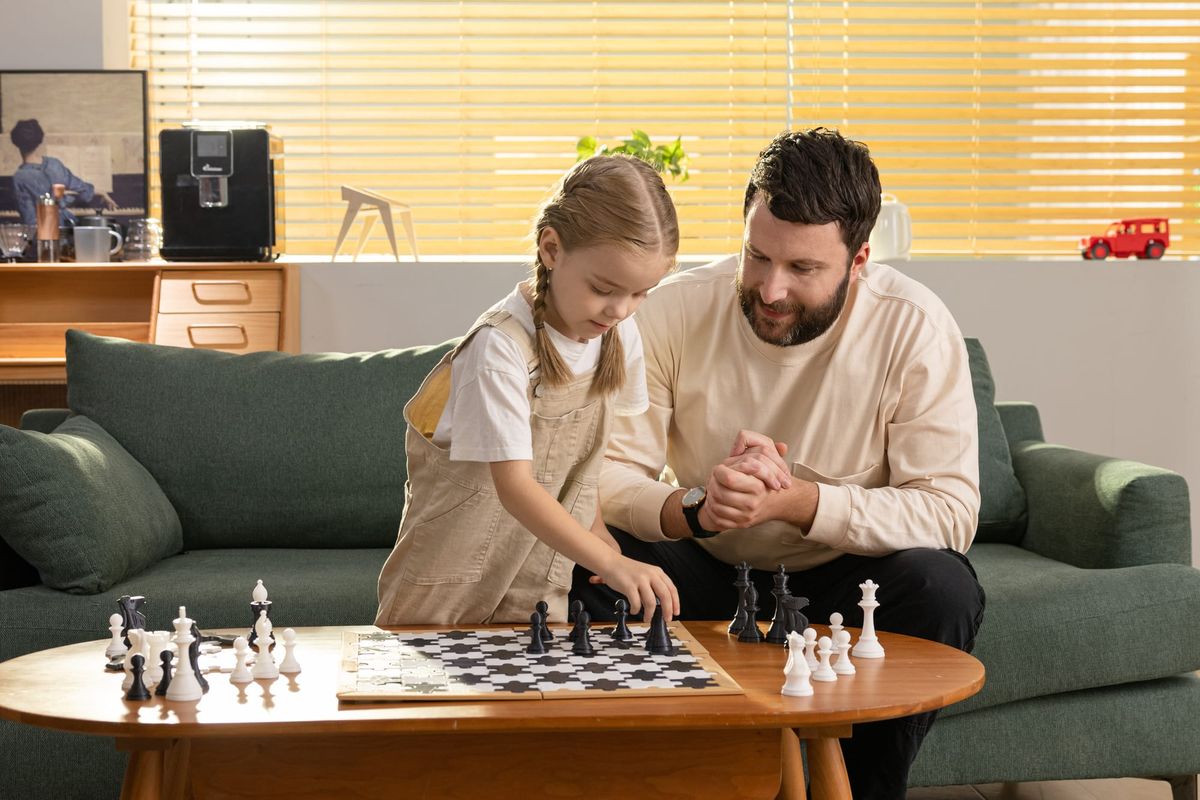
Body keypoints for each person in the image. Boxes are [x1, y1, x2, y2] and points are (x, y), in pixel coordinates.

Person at [571, 129, 986, 799]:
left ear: (859, 261)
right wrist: (694, 509)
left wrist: (800, 502)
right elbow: (605, 473)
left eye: (803, 269)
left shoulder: (914, 327)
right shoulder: (674, 310)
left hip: (841, 581)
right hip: (705, 565)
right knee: (593, 558)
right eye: (756, 256)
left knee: (942, 585)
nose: (770, 289)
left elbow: (949, 513)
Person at [376, 154, 682, 627]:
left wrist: (598, 532)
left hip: (537, 577)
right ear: (551, 249)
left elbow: (585, 459)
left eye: (641, 293)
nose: (621, 309)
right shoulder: (498, 348)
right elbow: (516, 487)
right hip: (449, 577)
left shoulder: (618, 334)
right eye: (604, 287)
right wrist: (612, 564)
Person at [9, 119, 116, 226]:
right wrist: (102, 192)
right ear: (39, 140)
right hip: (68, 225)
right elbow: (82, 189)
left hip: (46, 230)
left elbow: (30, 219)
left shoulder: (19, 177)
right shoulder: (54, 164)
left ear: (16, 142)